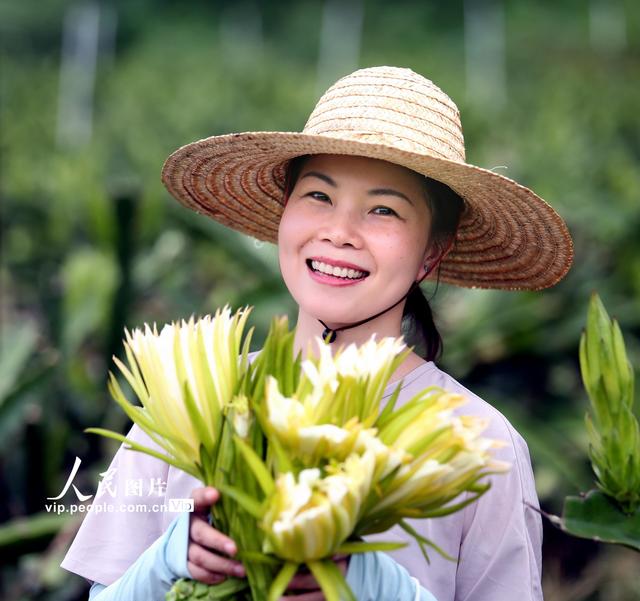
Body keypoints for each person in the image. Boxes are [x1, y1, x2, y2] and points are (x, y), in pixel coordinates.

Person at [60, 66, 573, 600]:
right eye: (318, 197)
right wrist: (168, 560)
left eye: (383, 210)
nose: (339, 232)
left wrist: (370, 583)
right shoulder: (192, 397)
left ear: (432, 251)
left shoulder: (477, 443)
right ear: (284, 213)